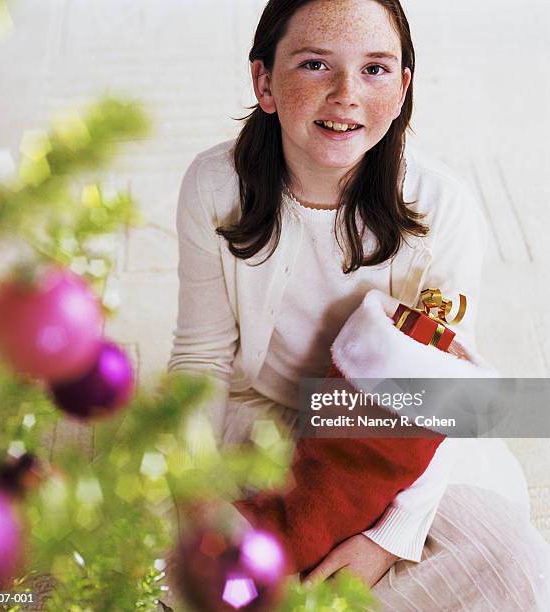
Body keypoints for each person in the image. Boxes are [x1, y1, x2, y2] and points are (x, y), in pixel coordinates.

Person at [167, 0, 550, 609]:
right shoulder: (213, 185)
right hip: (265, 418)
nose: (346, 95)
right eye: (316, 64)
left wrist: (386, 540)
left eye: (374, 69)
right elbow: (202, 358)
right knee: (187, 564)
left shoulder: (445, 208)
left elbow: (443, 398)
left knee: (510, 558)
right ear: (264, 82)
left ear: (402, 90)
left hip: (392, 437)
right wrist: (195, 501)